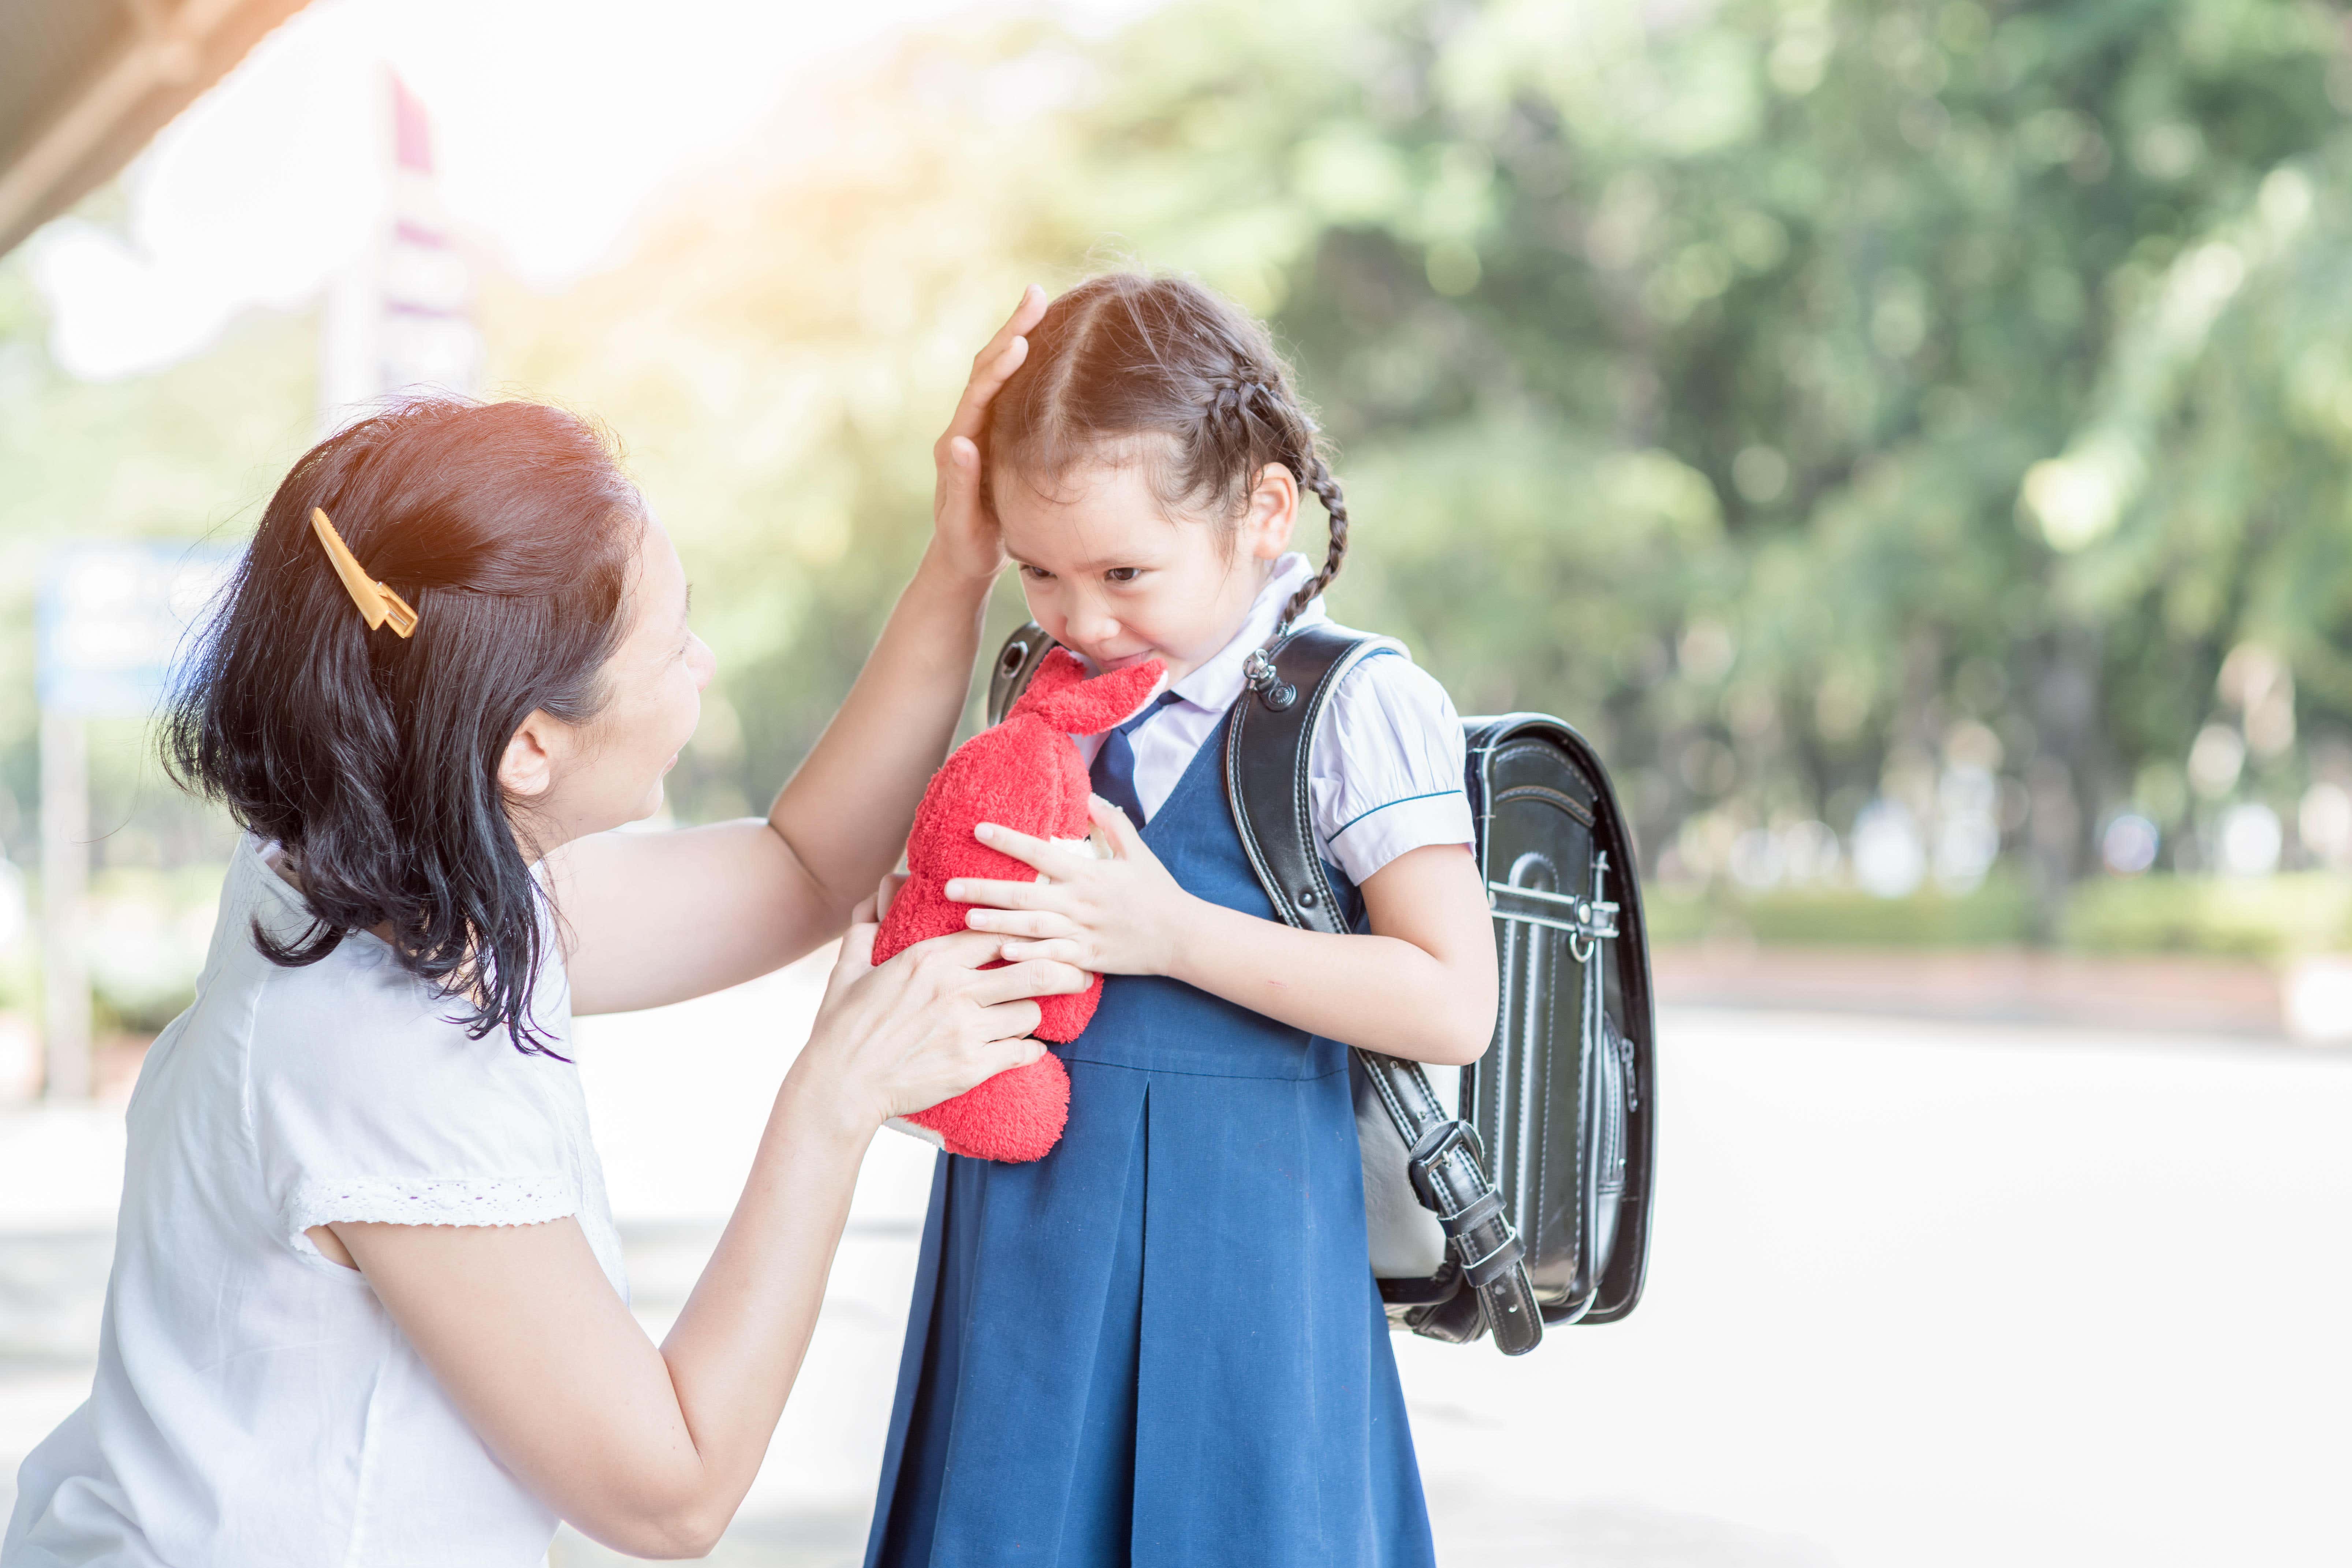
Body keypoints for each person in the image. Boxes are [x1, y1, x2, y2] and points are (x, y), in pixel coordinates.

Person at [2, 293, 1085, 1566]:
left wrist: (958, 567)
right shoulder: (378, 1044)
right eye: (674, 644)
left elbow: (799, 871)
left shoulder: (368, 861)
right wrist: (832, 1099)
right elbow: (668, 1493)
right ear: (528, 745)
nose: (705, 667)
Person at [863, 274, 1502, 1568]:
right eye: (1039, 571)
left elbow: (1451, 998)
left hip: (1250, 1259)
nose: (1080, 618)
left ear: (1264, 512)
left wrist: (1171, 935)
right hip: (1023, 1247)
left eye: (1124, 572)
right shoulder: (1040, 694)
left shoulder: (1349, 703)